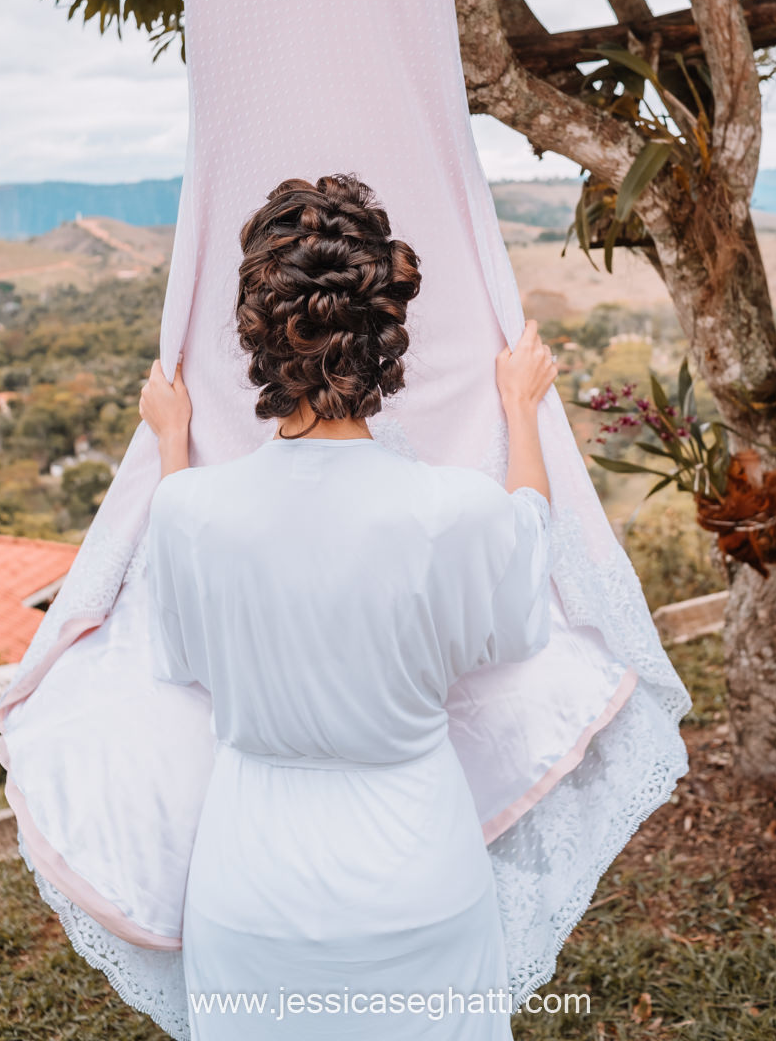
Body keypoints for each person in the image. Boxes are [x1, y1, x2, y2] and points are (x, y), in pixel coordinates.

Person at [137, 173, 557, 1038]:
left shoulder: (185, 511)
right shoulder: (452, 511)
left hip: (248, 891)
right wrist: (522, 410)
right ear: (384, 344)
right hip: (420, 881)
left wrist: (172, 444)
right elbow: (525, 573)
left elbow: (180, 652)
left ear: (259, 343)